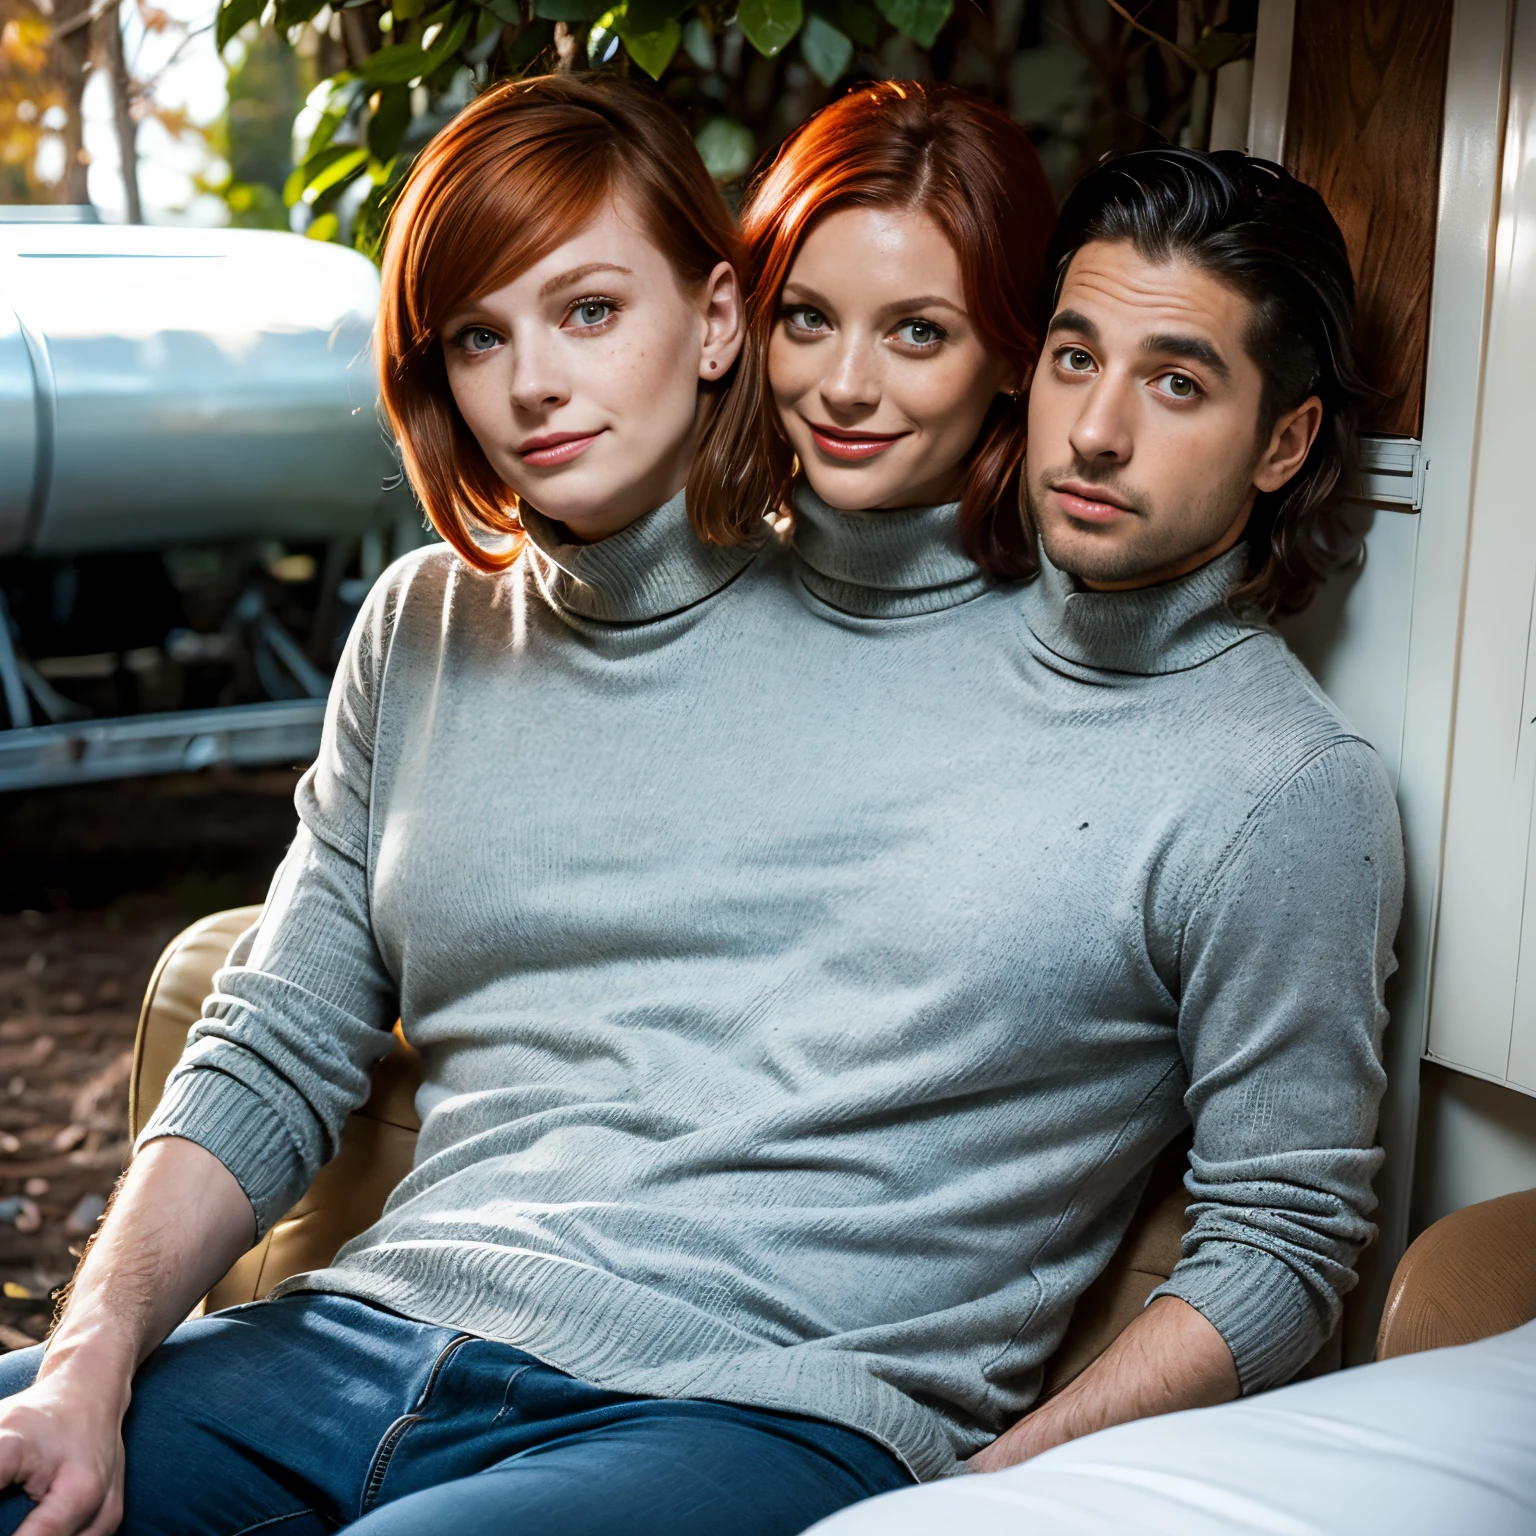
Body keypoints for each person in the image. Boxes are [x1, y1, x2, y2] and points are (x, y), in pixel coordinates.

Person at [693, 109, 1403, 1472]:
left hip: (817, 1418)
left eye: (1179, 383)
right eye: (1076, 359)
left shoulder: (1288, 787)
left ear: (1285, 441)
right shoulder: (902, 609)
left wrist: (988, 1493)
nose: (1098, 432)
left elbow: (1283, 1251)